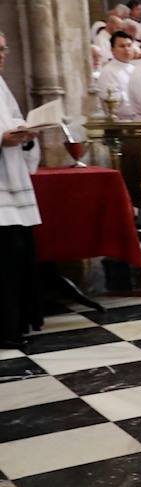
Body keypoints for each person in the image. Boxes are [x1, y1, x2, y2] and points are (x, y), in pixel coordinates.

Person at [0, 29, 42, 349]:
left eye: (5, 48)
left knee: (18, 253)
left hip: (10, 179)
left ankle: (17, 324)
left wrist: (25, 135)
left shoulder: (1, 84)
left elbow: (12, 118)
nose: (3, 55)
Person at [96, 31, 135, 117]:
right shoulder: (108, 72)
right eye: (122, 46)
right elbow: (114, 104)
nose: (127, 49)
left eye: (129, 45)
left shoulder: (134, 68)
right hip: (122, 122)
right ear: (112, 50)